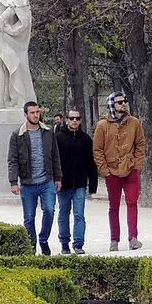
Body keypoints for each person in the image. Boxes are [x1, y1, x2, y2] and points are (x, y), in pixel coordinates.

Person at [93, 91, 146, 251]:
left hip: (130, 169)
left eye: (124, 101)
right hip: (112, 171)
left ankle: (133, 237)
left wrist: (136, 164)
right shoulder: (102, 125)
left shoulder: (134, 123)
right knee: (113, 206)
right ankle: (114, 239)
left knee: (132, 202)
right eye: (119, 102)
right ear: (112, 105)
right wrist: (104, 171)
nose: (123, 104)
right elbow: (97, 150)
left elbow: (140, 144)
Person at [8, 100, 63, 255]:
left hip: (47, 181)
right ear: (26, 114)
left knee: (50, 210)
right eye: (32, 112)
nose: (35, 115)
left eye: (37, 112)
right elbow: (13, 160)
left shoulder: (48, 132)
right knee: (29, 218)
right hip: (28, 182)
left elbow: (55, 156)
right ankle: (31, 246)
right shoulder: (17, 135)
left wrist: (58, 178)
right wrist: (13, 181)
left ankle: (43, 239)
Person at [56, 108, 99, 255]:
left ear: (80, 120)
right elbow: (54, 161)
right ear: (66, 120)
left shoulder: (86, 139)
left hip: (80, 183)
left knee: (79, 214)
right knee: (63, 214)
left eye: (77, 118)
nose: (75, 121)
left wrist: (93, 184)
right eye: (72, 118)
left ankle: (79, 243)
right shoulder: (58, 138)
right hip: (63, 184)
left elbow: (90, 162)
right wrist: (56, 179)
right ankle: (64, 243)